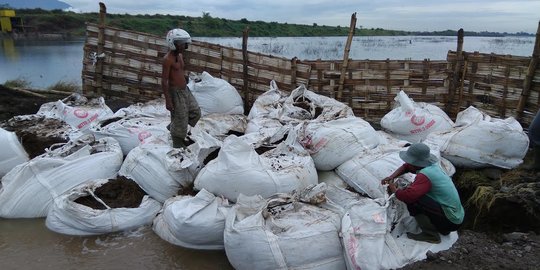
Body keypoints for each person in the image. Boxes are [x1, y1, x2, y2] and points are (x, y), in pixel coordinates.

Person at [381, 143, 464, 244]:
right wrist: (392, 177)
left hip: (450, 221)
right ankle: (443, 229)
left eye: (410, 161)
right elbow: (406, 167)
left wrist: (393, 188)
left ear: (416, 163)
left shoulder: (425, 175)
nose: (407, 163)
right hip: (456, 217)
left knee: (414, 201)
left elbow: (407, 196)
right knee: (417, 194)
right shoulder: (432, 166)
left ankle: (431, 235)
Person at [162, 28, 201, 148]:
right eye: (182, 43)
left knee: (196, 112)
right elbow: (164, 81)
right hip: (176, 93)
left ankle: (174, 127)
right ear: (173, 43)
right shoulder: (167, 59)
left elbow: (179, 72)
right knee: (181, 119)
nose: (185, 46)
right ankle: (177, 144)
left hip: (185, 90)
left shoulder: (179, 56)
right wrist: (168, 100)